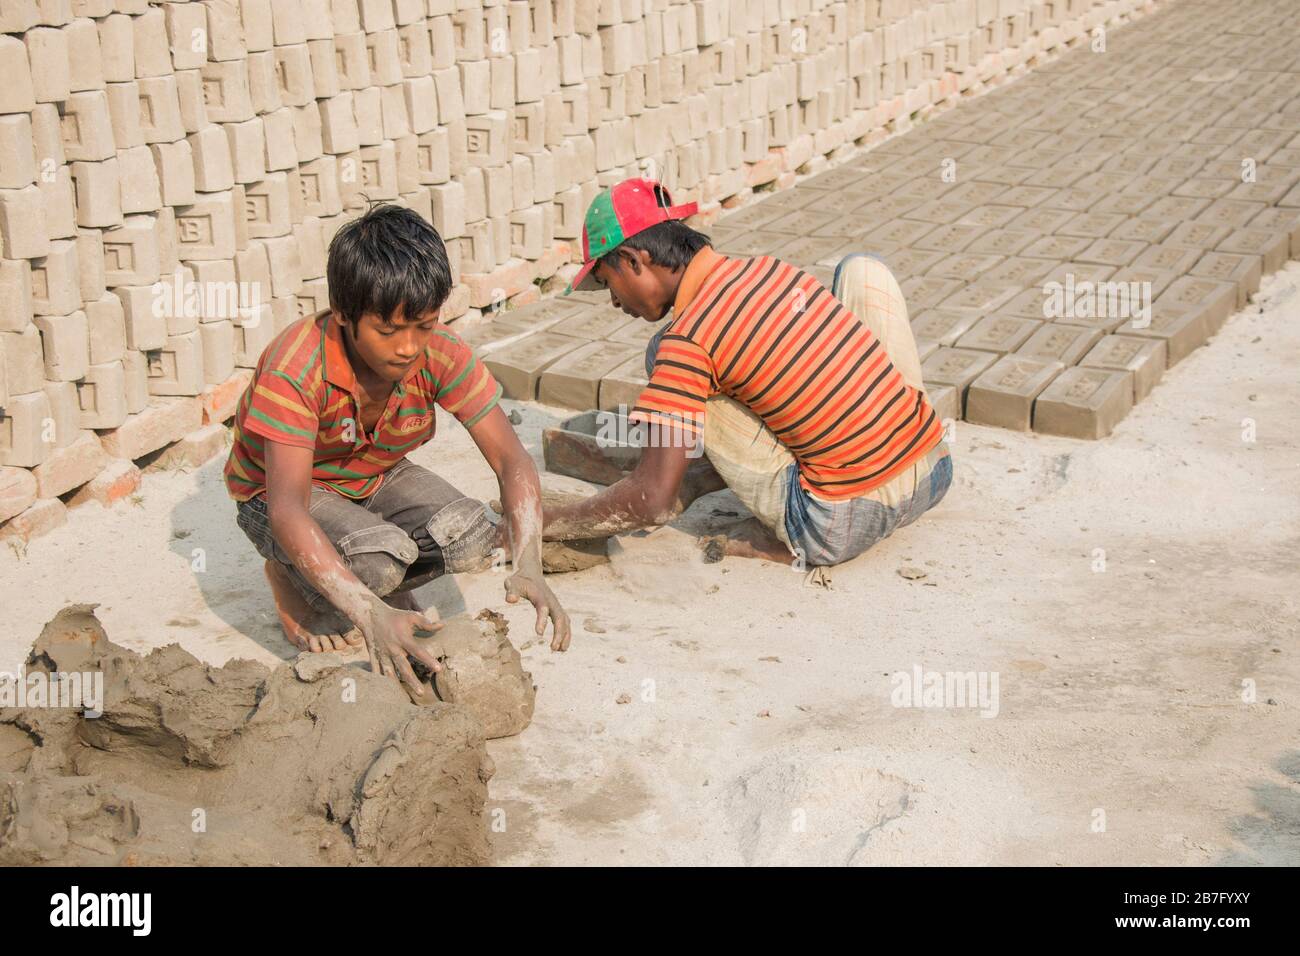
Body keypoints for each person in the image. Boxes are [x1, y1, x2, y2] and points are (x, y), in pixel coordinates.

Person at [224, 203, 569, 698]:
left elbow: (511, 459)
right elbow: (286, 508)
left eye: (423, 326)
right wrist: (368, 616)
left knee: (472, 537)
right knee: (379, 564)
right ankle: (290, 576)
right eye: (388, 331)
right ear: (344, 315)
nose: (408, 347)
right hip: (281, 494)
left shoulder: (437, 352)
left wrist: (529, 560)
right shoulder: (295, 370)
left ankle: (376, 581)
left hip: (374, 473)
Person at [542, 178, 952, 567]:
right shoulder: (771, 270)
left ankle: (771, 526)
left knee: (671, 359)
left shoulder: (687, 340)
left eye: (607, 281)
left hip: (840, 525)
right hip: (932, 470)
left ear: (633, 260)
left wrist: (546, 521)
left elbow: (653, 500)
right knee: (862, 268)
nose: (614, 301)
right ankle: (696, 468)